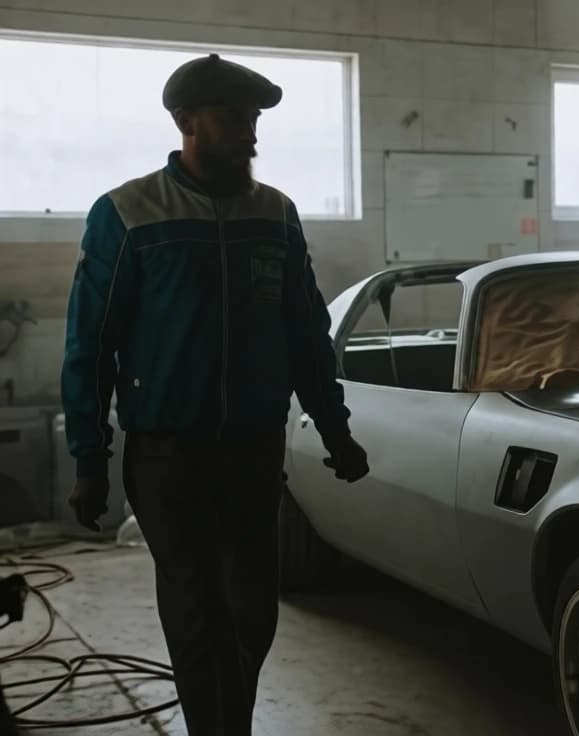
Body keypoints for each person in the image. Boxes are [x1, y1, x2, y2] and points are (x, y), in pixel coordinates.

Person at [60, 54, 370, 735]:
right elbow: (91, 342)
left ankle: (229, 719)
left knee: (253, 608)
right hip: (169, 455)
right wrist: (90, 458)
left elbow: (305, 332)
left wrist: (335, 428)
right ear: (186, 122)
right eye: (234, 118)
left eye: (254, 118)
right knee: (199, 606)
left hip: (253, 450)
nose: (250, 133)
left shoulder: (274, 214)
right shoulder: (129, 213)